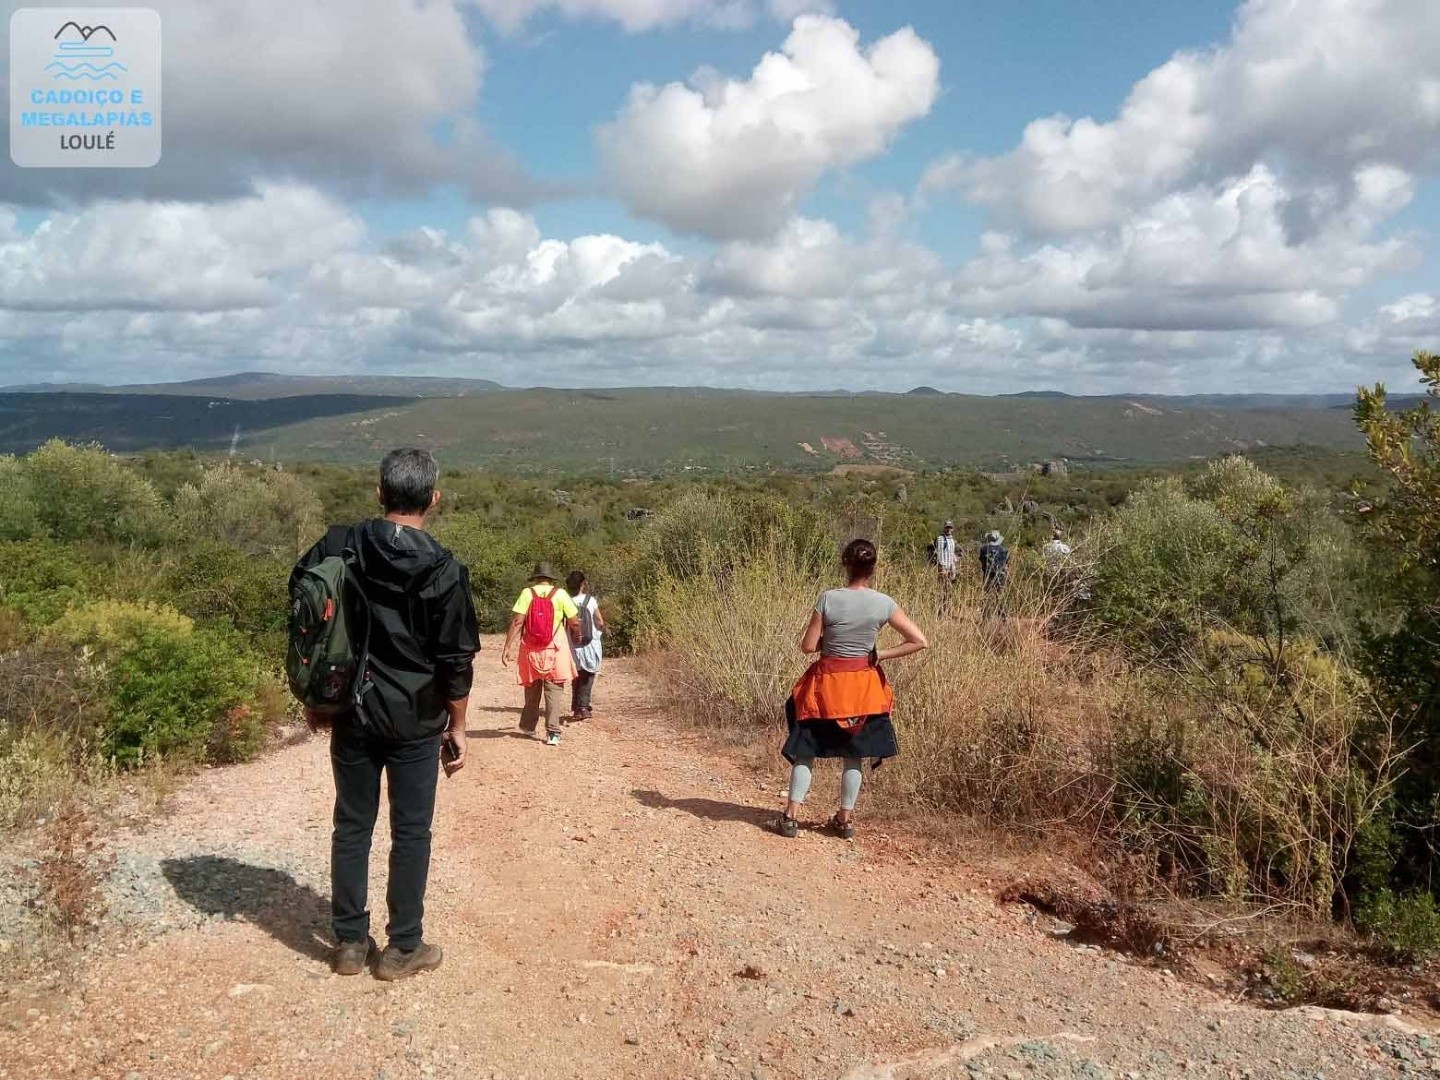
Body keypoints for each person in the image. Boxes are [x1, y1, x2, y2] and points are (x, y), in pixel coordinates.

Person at [291, 448, 479, 981]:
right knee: (411, 831)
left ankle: (349, 943)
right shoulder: (445, 570)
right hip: (417, 721)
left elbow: (307, 616)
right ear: (434, 500)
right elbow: (456, 660)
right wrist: (458, 727)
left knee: (351, 825)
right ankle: (402, 949)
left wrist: (317, 695)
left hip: (350, 709)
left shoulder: (339, 545)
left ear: (379, 493)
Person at [777, 539, 928, 840]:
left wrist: (826, 640)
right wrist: (880, 654)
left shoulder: (828, 599)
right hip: (864, 690)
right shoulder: (884, 603)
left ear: (846, 564)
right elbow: (919, 641)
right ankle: (844, 820)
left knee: (806, 751)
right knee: (854, 755)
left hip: (825, 690)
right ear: (872, 568)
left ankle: (792, 815)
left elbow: (807, 647)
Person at [502, 563, 578, 746]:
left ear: (535, 578)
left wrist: (507, 647)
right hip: (556, 648)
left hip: (531, 649)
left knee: (532, 688)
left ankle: (528, 726)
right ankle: (553, 733)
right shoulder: (561, 594)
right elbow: (574, 622)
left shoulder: (527, 594)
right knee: (554, 690)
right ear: (551, 579)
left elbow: (517, 621)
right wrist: (577, 637)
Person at [566, 570, 606, 721]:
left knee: (576, 676)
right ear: (583, 584)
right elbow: (599, 621)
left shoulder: (566, 602)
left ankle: (576, 707)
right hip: (590, 643)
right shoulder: (591, 600)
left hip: (573, 644)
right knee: (588, 676)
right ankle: (583, 707)